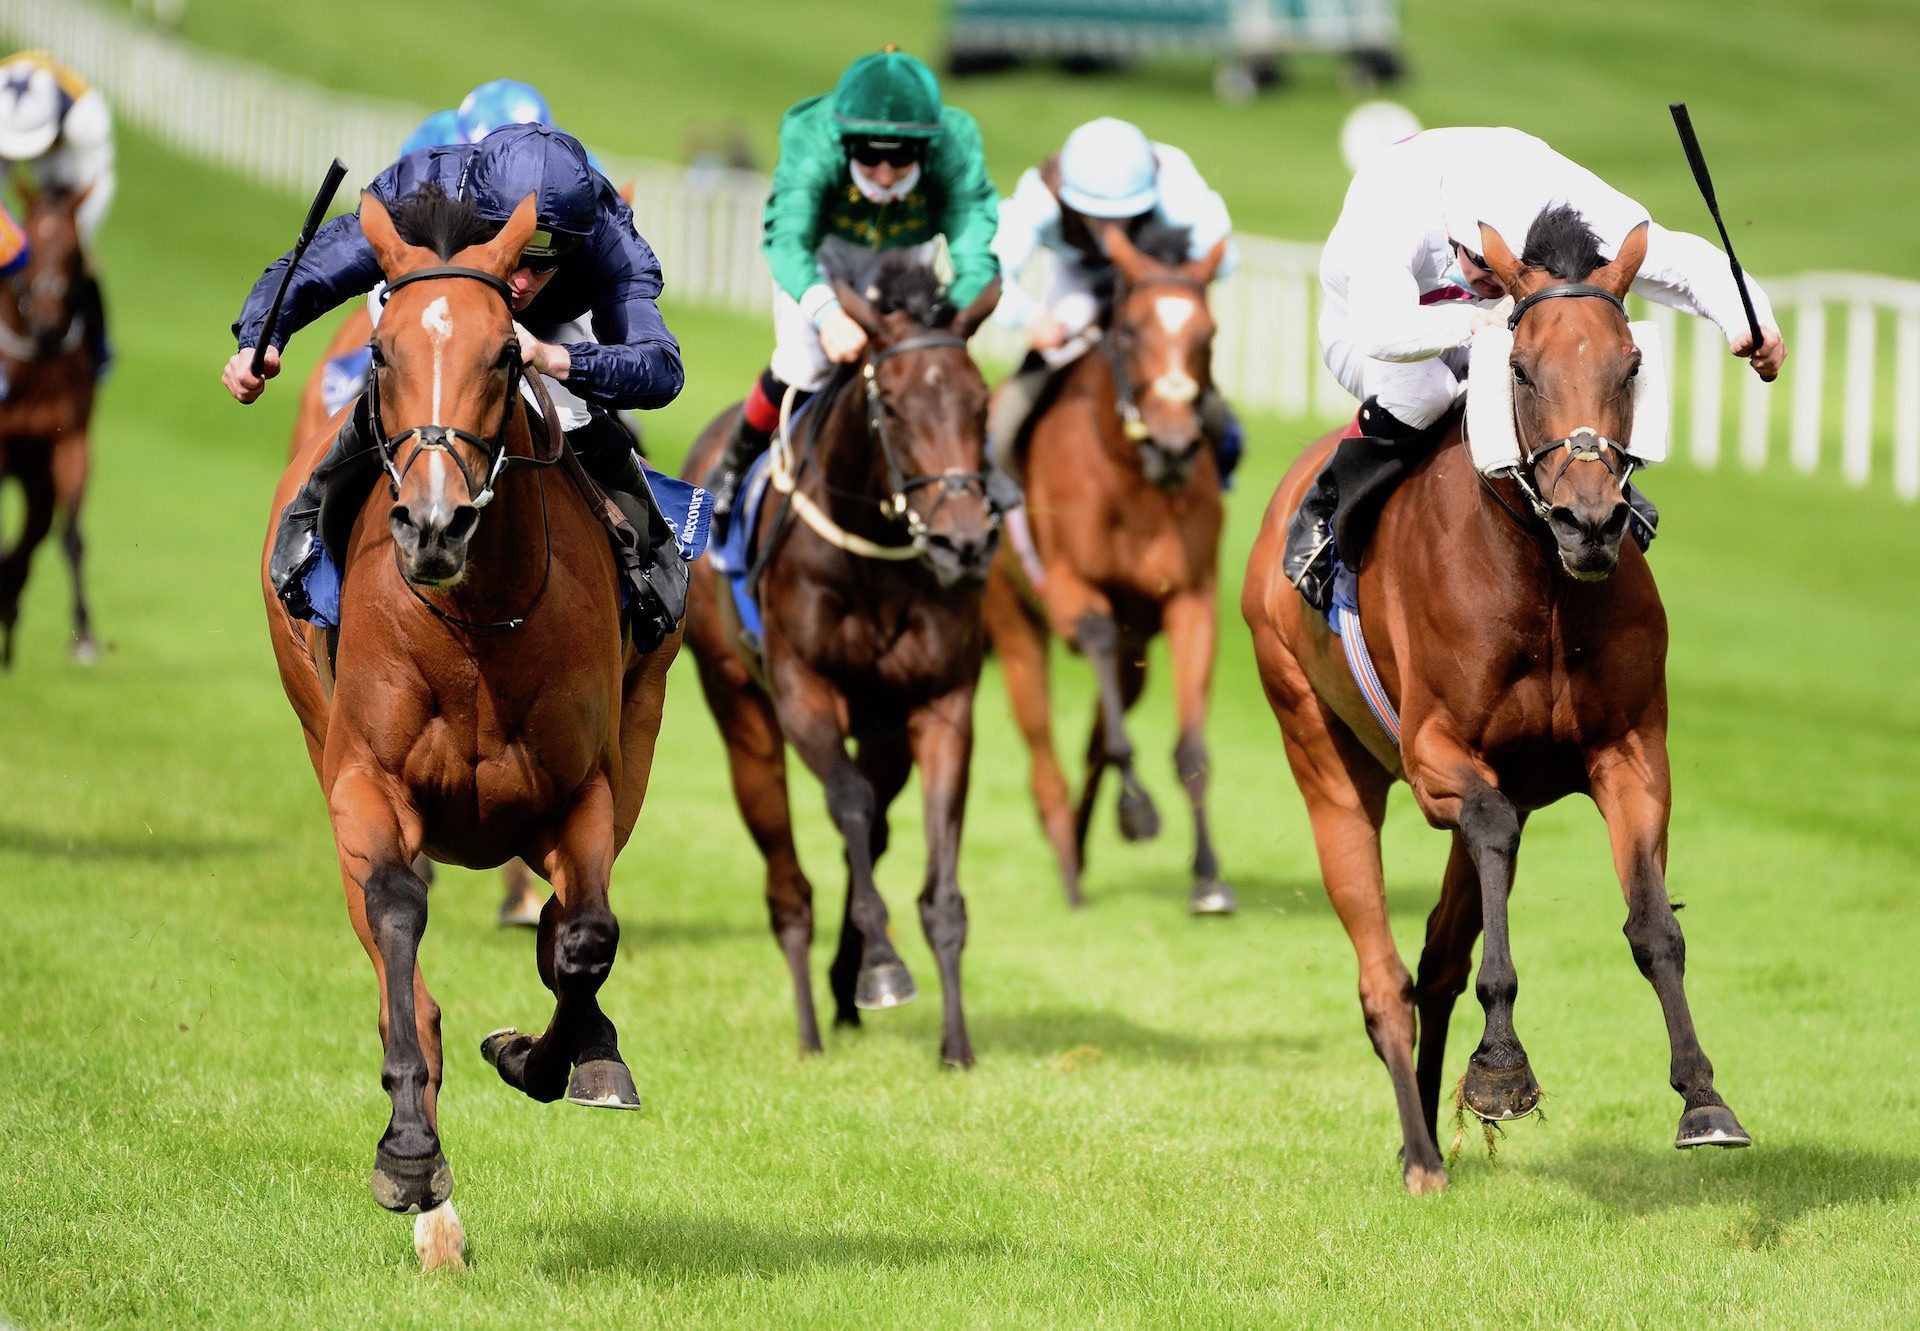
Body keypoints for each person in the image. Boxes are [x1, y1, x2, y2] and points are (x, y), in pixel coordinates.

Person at [1287, 125, 1789, 611]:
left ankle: (1608, 483)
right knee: (1429, 391)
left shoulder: (1566, 194)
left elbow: (1684, 261)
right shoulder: (1394, 205)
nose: (1493, 280)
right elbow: (1381, 332)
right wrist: (1473, 325)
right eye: (1483, 266)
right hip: (1365, 328)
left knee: (1573, 347)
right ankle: (1327, 504)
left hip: (1494, 324)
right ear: (1455, 236)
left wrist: (1750, 321)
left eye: (1507, 269)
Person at [223, 123, 685, 635]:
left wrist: (555, 358)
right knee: (407, 386)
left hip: (548, 330)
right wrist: (258, 339)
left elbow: (660, 367)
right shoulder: (424, 192)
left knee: (575, 413)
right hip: (433, 308)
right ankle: (310, 513)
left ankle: (651, 556)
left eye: (543, 262)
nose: (521, 280)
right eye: (513, 250)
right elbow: (315, 270)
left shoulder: (605, 233)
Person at [703, 46, 999, 538]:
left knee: (933, 371)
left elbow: (975, 250)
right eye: (868, 156)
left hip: (907, 255)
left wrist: (948, 320)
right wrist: (826, 313)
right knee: (808, 362)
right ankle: (735, 463)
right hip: (824, 257)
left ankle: (976, 476)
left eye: (901, 158)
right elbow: (788, 240)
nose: (884, 173)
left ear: (924, 148)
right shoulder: (813, 141)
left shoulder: (955, 145)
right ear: (845, 145)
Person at [987, 116, 1242, 481]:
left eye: (1127, 215)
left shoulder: (1172, 179)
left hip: (1152, 281)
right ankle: (1000, 471)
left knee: (1194, 381)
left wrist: (1168, 281)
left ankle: (1222, 459)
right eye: (1097, 217)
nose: (1113, 229)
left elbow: (1224, 257)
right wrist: (1029, 317)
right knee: (1023, 394)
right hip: (1079, 279)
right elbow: (992, 269)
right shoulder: (1040, 197)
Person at [0, 49, 114, 372]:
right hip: (12, 164)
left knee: (80, 264)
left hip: (69, 172)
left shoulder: (87, 119)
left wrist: (68, 241)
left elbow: (97, 188)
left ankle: (99, 347)